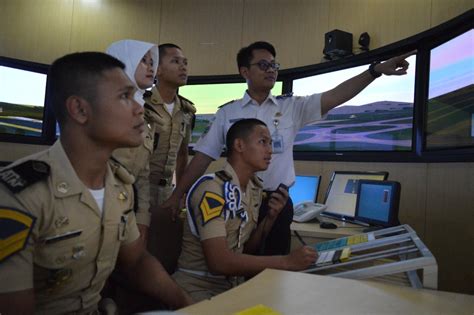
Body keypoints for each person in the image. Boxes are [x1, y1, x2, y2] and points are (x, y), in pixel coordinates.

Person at [162, 41, 413, 255]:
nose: (271, 70)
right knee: (236, 269)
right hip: (236, 204)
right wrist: (177, 195)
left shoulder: (292, 107)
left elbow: (336, 96)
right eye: (263, 65)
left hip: (278, 203)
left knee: (274, 273)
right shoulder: (228, 113)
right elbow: (202, 157)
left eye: (274, 65)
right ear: (244, 71)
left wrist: (375, 70)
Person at [0, 52, 192, 314]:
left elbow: (135, 262)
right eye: (125, 97)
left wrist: (186, 304)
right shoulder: (20, 195)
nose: (139, 108)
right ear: (80, 110)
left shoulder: (120, 185)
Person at [172, 118, 318, 302]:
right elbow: (219, 262)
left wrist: (270, 219)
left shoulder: (252, 189)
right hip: (199, 289)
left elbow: (244, 250)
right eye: (263, 142)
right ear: (239, 145)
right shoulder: (212, 189)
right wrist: (286, 262)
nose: (270, 150)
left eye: (271, 143)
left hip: (232, 287)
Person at [145, 43, 196, 273]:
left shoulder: (186, 110)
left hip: (168, 193)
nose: (183, 66)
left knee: (161, 252)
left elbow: (182, 155)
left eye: (185, 62)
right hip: (140, 188)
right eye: (175, 61)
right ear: (158, 70)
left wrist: (180, 195)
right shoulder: (142, 104)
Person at [106, 39, 159, 243]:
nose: (151, 67)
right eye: (143, 60)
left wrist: (142, 220)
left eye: (152, 62)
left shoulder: (144, 113)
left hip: (128, 209)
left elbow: (143, 175)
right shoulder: (105, 110)